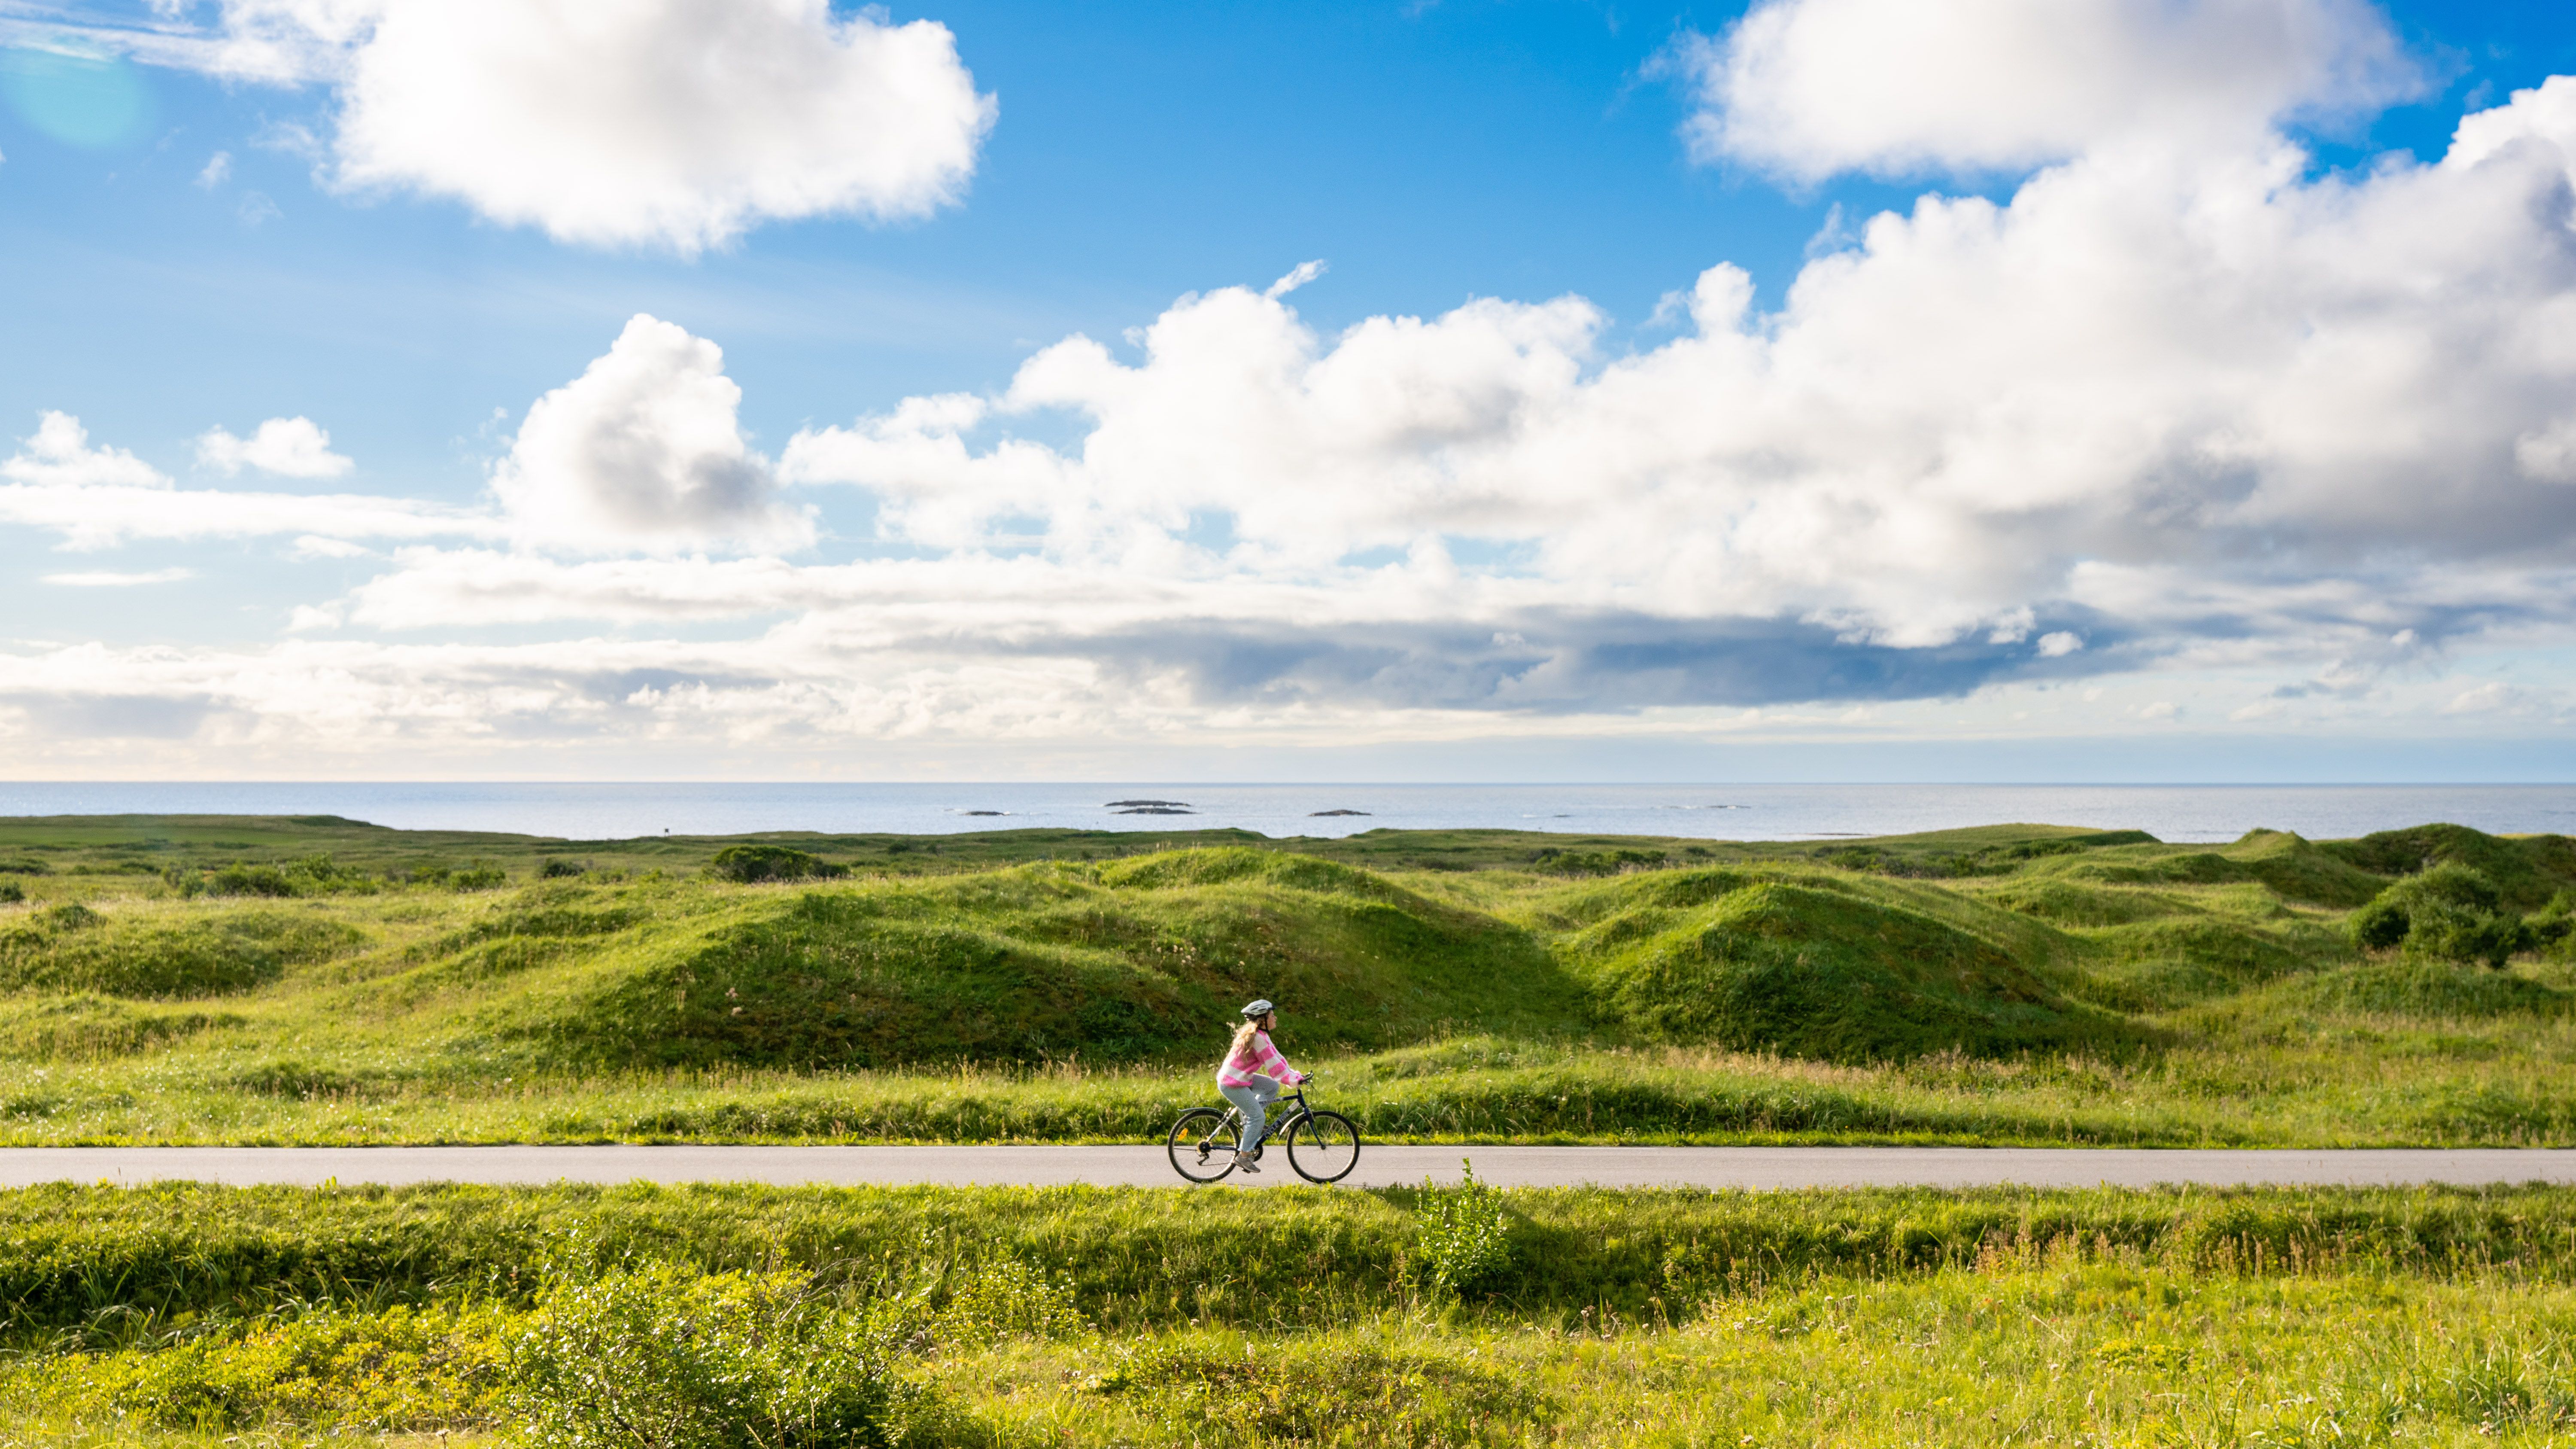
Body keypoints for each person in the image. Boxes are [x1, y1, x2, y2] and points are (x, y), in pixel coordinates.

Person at [1216, 998, 1302, 1173]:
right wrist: (1293, 1081)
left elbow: (1279, 1060)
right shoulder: (1259, 1039)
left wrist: (1295, 1075)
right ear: (1263, 1019)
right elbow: (1275, 1068)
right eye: (1272, 1015)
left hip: (1239, 1077)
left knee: (1271, 1087)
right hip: (1232, 1083)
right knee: (1258, 1117)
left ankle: (1253, 1123)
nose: (1275, 1018)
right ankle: (1244, 1156)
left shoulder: (1261, 1036)